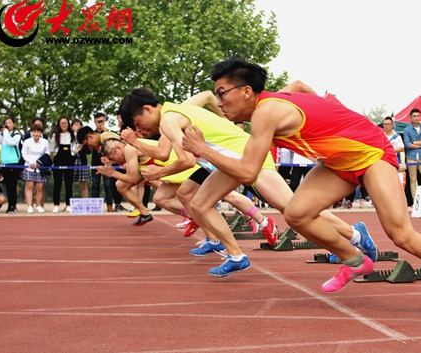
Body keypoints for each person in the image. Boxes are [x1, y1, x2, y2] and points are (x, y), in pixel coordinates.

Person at [188, 55, 421, 320]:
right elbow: (302, 85)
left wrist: (203, 148)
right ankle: (355, 259)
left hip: (370, 153)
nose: (219, 101)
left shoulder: (266, 112)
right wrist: (326, 117)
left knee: (401, 235)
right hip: (338, 161)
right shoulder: (276, 99)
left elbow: (248, 171)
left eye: (222, 93)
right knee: (296, 213)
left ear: (246, 91)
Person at [119, 88, 372, 272]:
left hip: (248, 153)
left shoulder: (169, 119)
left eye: (137, 123)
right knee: (200, 204)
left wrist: (158, 173)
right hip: (231, 158)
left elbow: (186, 161)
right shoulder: (175, 111)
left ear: (148, 109)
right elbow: (164, 153)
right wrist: (135, 142)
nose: (139, 130)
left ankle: (355, 234)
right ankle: (236, 256)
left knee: (292, 208)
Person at [89, 113, 120, 212]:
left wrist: (105, 130)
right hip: (96, 162)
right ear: (94, 122)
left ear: (105, 121)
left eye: (101, 121)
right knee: (95, 184)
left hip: (108, 162)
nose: (99, 123)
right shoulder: (92, 134)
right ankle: (95, 206)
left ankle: (110, 205)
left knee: (108, 184)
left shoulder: (109, 133)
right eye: (98, 122)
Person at [21, 123, 50, 213]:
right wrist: (31, 162)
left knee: (40, 187)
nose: (36, 134)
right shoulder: (27, 141)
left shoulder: (45, 142)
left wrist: (40, 162)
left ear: (41, 133)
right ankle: (30, 205)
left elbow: (47, 154)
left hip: (40, 167)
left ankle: (38, 205)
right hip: (29, 166)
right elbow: (24, 153)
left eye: (38, 132)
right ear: (31, 132)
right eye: (34, 132)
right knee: (29, 186)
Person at [403, 108, 421, 202]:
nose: (416, 118)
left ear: (420, 116)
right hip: (412, 157)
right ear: (410, 117)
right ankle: (416, 201)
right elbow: (407, 144)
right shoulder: (407, 129)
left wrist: (414, 142)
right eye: (414, 116)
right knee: (413, 180)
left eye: (418, 116)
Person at [50, 115, 76, 212]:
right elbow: (53, 150)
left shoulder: (72, 134)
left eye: (65, 123)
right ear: (59, 124)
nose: (64, 125)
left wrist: (75, 152)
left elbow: (75, 147)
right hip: (58, 160)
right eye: (62, 123)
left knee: (69, 184)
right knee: (57, 184)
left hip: (69, 160)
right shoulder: (55, 135)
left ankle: (68, 204)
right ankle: (56, 204)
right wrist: (52, 162)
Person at [0, 116, 23, 213]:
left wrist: (5, 132)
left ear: (14, 124)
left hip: (13, 162)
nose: (7, 125)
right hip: (4, 161)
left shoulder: (17, 134)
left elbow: (11, 142)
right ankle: (11, 204)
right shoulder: (3, 134)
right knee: (7, 184)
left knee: (13, 185)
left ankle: (12, 205)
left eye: (10, 123)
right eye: (6, 123)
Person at [71, 118, 91, 198]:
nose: (77, 127)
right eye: (76, 125)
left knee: (83, 184)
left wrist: (81, 148)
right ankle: (68, 204)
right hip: (72, 162)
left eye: (79, 125)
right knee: (70, 184)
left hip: (82, 162)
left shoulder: (84, 138)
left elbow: (89, 151)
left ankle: (85, 202)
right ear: (72, 127)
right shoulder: (69, 137)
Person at [383, 117, 405, 185]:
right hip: (383, 161)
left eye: (388, 124)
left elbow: (402, 148)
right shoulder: (381, 135)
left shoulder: (397, 136)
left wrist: (390, 150)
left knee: (395, 181)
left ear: (392, 125)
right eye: (385, 124)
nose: (387, 126)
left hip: (394, 160)